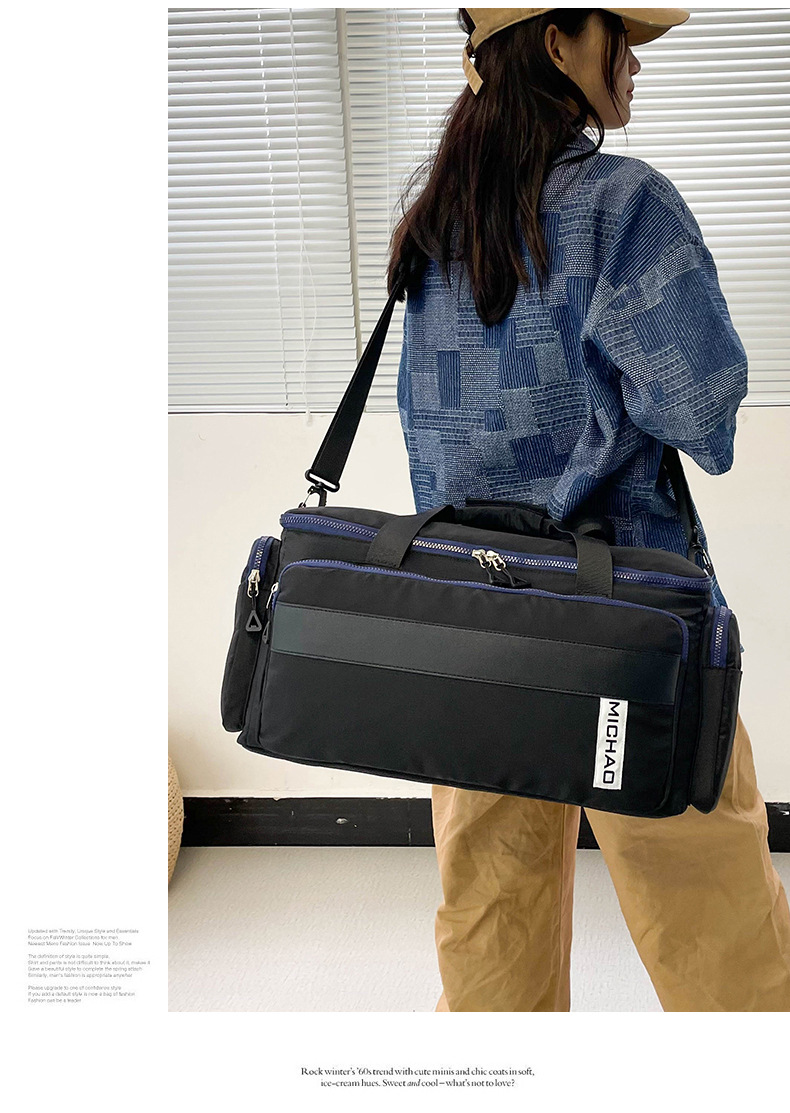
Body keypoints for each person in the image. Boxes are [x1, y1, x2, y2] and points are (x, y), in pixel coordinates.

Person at [386, 7, 790, 1011]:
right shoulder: (625, 205)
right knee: (717, 935)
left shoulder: (439, 217)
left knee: (491, 936)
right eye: (621, 35)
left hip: (473, 627)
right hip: (630, 633)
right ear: (559, 43)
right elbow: (703, 411)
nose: (636, 64)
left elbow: (431, 430)